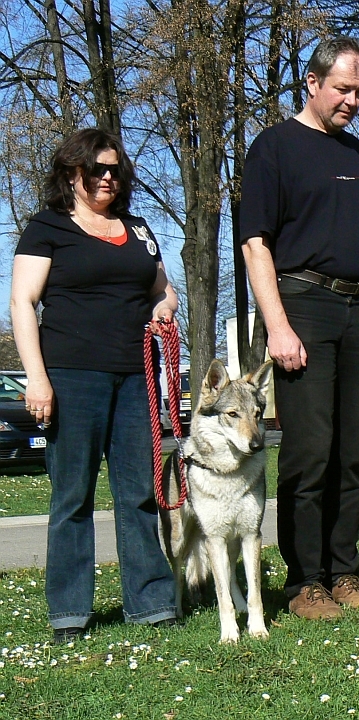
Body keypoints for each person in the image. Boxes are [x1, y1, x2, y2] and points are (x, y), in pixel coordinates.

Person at [241, 36, 359, 620]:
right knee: (309, 450)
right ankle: (305, 583)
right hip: (300, 304)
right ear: (312, 83)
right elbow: (255, 244)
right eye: (342, 89)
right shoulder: (273, 148)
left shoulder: (358, 157)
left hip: (355, 311)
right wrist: (277, 325)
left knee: (351, 448)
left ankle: (344, 572)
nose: (352, 100)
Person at [11, 129, 180, 642]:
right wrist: (37, 379)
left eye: (115, 169)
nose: (108, 177)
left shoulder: (139, 228)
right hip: (70, 375)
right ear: (72, 174)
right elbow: (22, 303)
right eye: (97, 169)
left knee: (140, 494)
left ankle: (151, 604)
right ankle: (69, 613)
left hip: (136, 378)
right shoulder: (47, 228)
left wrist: (165, 308)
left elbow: (162, 287)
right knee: (72, 497)